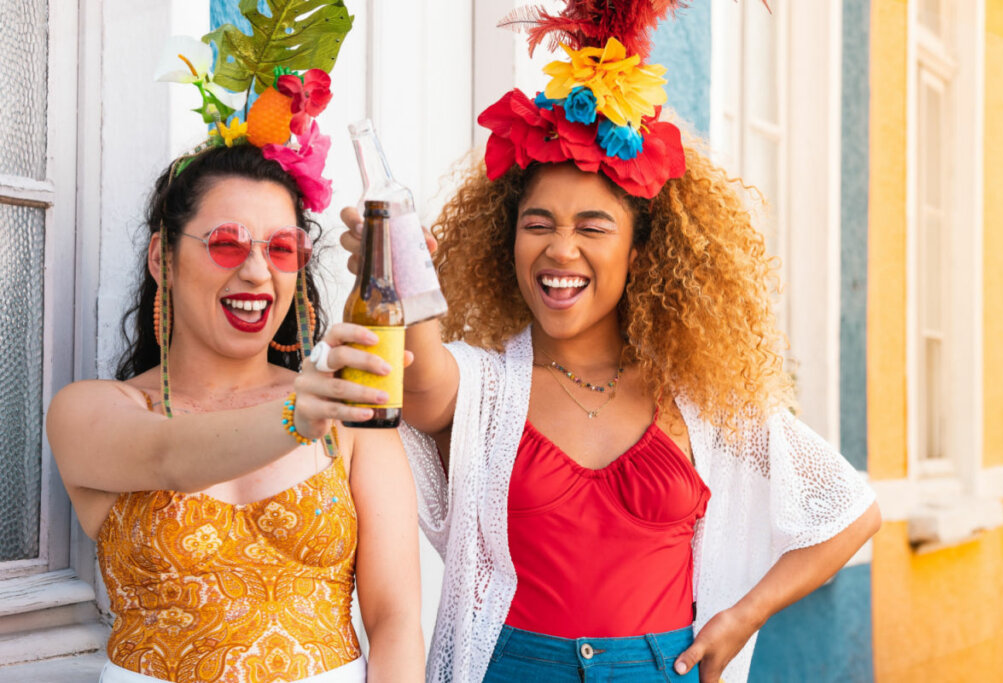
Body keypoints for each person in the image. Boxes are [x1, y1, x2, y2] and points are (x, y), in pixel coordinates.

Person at [335, 2, 879, 682]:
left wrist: (742, 616)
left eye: (592, 227)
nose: (561, 250)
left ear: (641, 250)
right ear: (508, 240)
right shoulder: (484, 388)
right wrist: (399, 272)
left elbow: (848, 510)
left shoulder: (696, 397)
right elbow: (418, 383)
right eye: (538, 224)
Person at [46, 10, 423, 683]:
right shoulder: (91, 410)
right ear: (164, 256)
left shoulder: (351, 418)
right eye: (226, 242)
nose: (256, 271)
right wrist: (300, 414)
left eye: (281, 248)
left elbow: (395, 618)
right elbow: (169, 457)